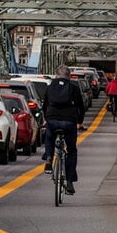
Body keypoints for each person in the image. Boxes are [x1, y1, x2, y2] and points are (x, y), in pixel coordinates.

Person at [42, 64, 85, 195]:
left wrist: (46, 119)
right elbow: (80, 107)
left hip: (52, 119)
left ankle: (49, 157)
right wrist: (80, 122)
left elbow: (45, 105)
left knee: (49, 137)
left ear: (56, 75)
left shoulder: (50, 87)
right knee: (71, 150)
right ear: (69, 76)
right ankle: (70, 182)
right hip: (69, 121)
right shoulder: (74, 88)